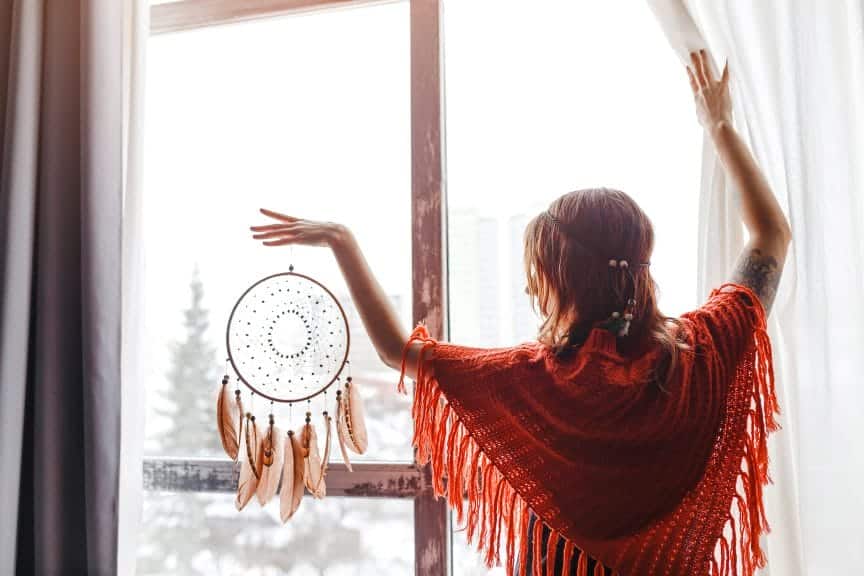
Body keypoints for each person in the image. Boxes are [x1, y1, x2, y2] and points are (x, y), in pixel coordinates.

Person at [250, 50, 791, 576]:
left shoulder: (532, 380)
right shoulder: (705, 352)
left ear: (558, 280)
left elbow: (399, 351)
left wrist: (341, 240)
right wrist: (718, 124)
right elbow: (771, 234)